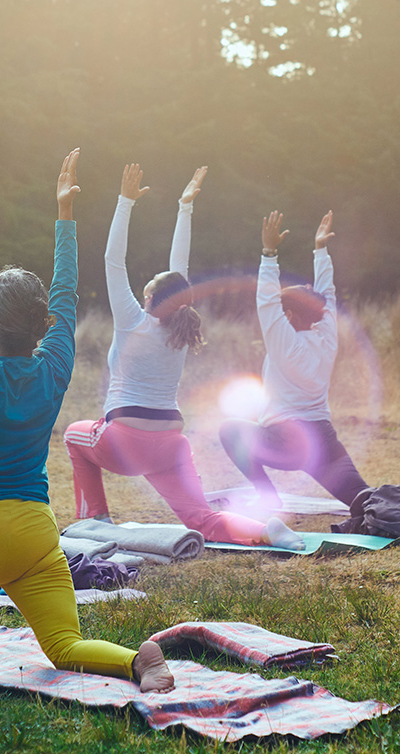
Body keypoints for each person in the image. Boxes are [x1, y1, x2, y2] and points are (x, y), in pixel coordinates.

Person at [0, 150, 173, 693]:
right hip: (32, 539)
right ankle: (136, 661)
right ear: (43, 323)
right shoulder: (54, 369)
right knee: (63, 647)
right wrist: (65, 219)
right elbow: (67, 298)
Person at [63, 164, 303, 550]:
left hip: (124, 441)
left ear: (148, 298)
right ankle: (267, 530)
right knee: (201, 518)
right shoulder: (179, 328)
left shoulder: (133, 321)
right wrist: (185, 207)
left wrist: (125, 201)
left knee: (74, 435)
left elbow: (113, 260)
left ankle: (96, 520)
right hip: (171, 443)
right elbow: (180, 271)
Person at [219, 210, 371, 516]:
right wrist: (320, 251)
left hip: (284, 443)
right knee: (368, 503)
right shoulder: (327, 337)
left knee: (229, 430)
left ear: (288, 316)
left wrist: (269, 253)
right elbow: (327, 293)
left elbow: (266, 302)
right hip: (323, 443)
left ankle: (267, 497)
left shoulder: (283, 343)